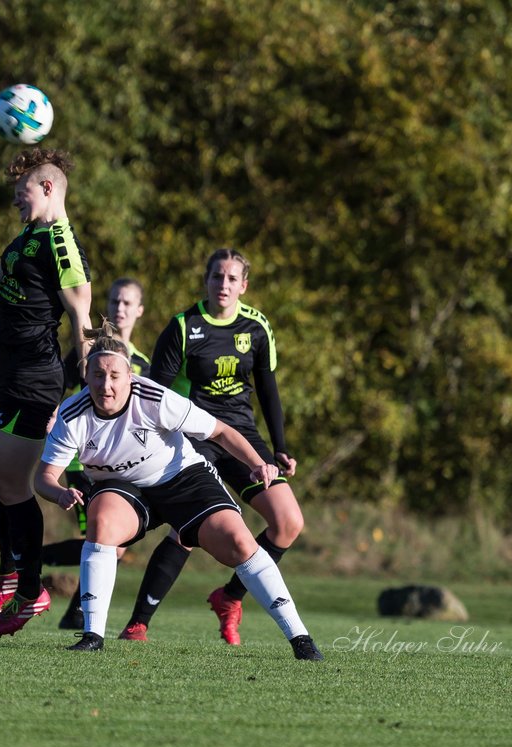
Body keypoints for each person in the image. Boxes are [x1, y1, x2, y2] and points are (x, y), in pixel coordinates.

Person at [34, 321, 322, 659]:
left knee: (239, 543)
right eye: (98, 375)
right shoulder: (72, 414)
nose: (106, 385)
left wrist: (257, 463)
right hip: (125, 488)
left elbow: (220, 432)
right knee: (102, 522)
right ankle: (92, 636)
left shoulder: (155, 398)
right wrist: (59, 493)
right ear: (86, 374)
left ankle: (301, 640)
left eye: (114, 376)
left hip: (182, 478)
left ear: (130, 376)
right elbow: (44, 478)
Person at [0, 148, 93, 636]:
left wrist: (79, 386)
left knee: (13, 486)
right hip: (5, 374)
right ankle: (11, 569)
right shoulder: (27, 237)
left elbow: (81, 318)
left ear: (47, 188)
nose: (15, 201)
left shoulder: (60, 243)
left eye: (21, 192)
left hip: (34, 379)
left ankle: (31, 590)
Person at [118, 248, 303, 644]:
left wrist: (281, 447)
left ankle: (229, 596)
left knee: (288, 523)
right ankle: (138, 623)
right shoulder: (184, 326)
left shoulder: (256, 327)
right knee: (185, 531)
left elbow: (268, 391)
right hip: (194, 435)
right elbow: (156, 391)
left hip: (241, 437)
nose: (224, 285)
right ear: (207, 280)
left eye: (232, 279)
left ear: (244, 285)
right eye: (217, 277)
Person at [45, 277, 151, 630]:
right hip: (82, 459)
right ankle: (73, 609)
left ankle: (33, 564)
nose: (119, 308)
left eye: (127, 302)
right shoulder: (85, 352)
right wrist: (51, 415)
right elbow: (59, 387)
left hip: (122, 462)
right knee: (105, 539)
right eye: (114, 301)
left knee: (110, 540)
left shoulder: (143, 364)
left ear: (139, 310)